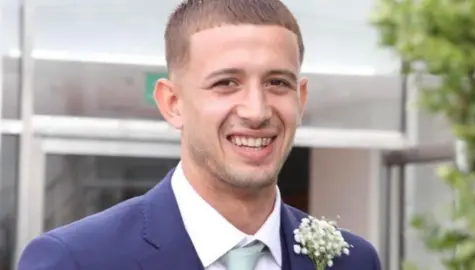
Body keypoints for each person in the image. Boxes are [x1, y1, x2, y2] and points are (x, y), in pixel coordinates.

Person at [18, 0, 382, 269]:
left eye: (277, 83)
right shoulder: (77, 259)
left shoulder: (354, 261)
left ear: (300, 100)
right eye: (226, 83)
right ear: (172, 102)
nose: (256, 111)